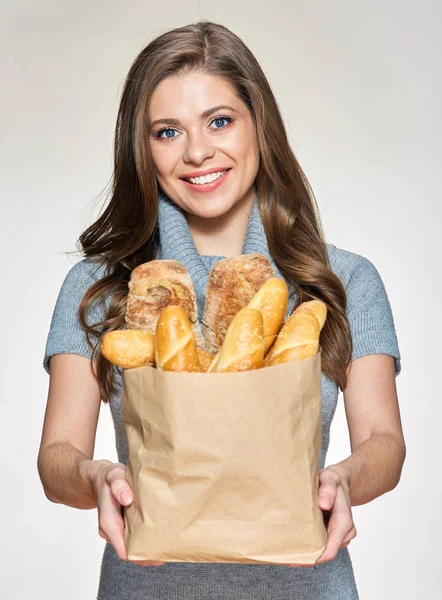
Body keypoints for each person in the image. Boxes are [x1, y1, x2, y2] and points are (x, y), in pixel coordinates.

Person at [37, 20, 406, 600]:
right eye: (167, 132)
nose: (198, 151)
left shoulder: (341, 280)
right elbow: (56, 458)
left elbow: (385, 442)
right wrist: (98, 476)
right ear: (143, 149)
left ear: (260, 125)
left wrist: (343, 479)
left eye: (219, 121)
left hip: (309, 586)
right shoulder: (100, 287)